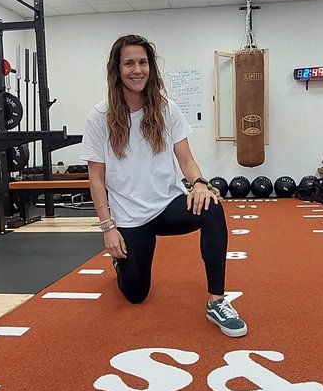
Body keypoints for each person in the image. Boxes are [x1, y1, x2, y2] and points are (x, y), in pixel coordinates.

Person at [80, 34, 247, 338]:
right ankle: (122, 264)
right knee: (135, 294)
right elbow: (96, 177)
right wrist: (108, 227)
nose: (137, 70)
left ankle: (217, 301)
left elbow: (186, 159)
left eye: (143, 62)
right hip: (129, 216)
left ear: (151, 68)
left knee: (212, 206)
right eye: (129, 63)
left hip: (166, 205)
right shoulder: (99, 117)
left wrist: (198, 183)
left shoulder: (166, 109)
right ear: (117, 70)